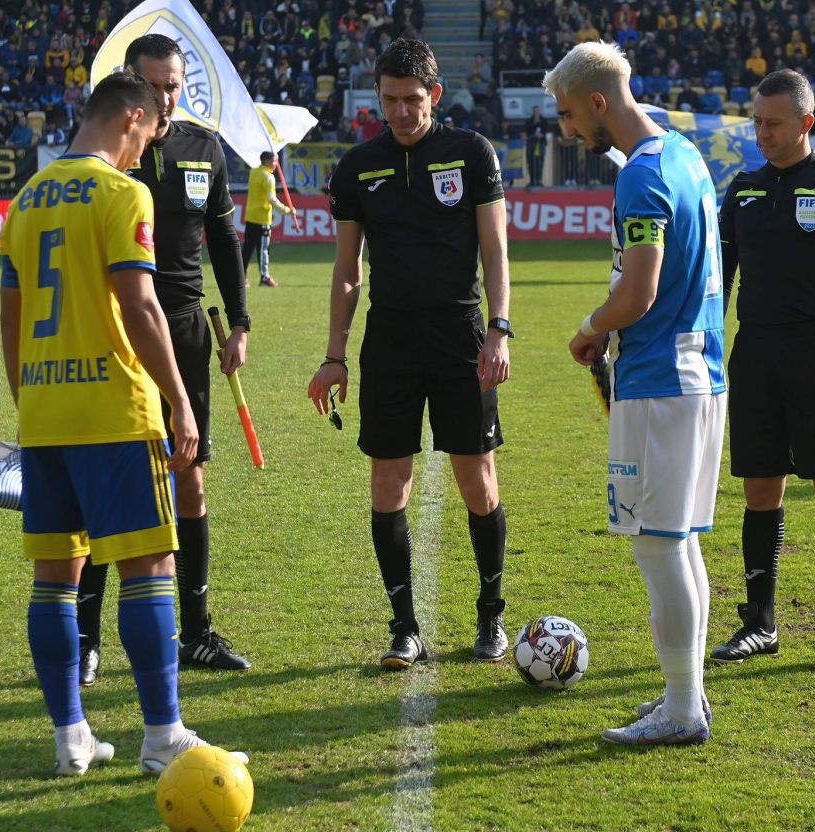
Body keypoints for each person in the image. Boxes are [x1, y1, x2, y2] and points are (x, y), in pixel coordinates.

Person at [0, 71, 242, 776]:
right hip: (113, 408)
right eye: (150, 133)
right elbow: (140, 306)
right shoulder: (120, 193)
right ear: (131, 118)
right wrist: (180, 399)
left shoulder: (24, 201)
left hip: (44, 412)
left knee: (54, 577)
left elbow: (11, 321)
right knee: (148, 567)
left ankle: (70, 736)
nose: (147, 150)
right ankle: (163, 734)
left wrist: (31, 400)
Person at [307, 38, 513, 670]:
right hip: (389, 342)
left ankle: (490, 615)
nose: (399, 112)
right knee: (388, 481)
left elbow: (496, 248)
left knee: (476, 479)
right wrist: (334, 353)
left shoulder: (470, 153)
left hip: (461, 338)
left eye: (411, 100)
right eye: (389, 100)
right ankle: (405, 627)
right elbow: (348, 270)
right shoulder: (357, 166)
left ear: (435, 96)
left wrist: (500, 329)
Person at [544, 41, 725, 746]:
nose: (567, 131)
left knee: (658, 547)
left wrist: (590, 327)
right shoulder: (684, 155)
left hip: (660, 382)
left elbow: (640, 290)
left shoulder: (641, 177)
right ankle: (687, 698)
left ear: (598, 102)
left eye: (567, 115)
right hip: (700, 373)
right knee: (679, 546)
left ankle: (683, 710)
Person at [74, 34, 254, 685]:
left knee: (190, 478)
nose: (166, 97)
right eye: (154, 85)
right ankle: (87, 639)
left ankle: (196, 633)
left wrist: (239, 321)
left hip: (184, 330)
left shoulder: (203, 149)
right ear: (132, 84)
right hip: (117, 334)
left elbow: (225, 238)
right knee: (106, 485)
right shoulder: (111, 154)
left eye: (175, 84)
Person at [715, 69, 815, 673]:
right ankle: (760, 624)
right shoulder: (744, 189)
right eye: (756, 121)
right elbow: (721, 280)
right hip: (754, 353)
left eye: (773, 123)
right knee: (760, 488)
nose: (762, 132)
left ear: (806, 123)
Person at [241, 150, 292, 288]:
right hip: (263, 218)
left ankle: (240, 278)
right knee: (263, 249)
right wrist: (287, 210)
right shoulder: (268, 177)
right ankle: (265, 277)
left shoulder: (254, 172)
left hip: (250, 216)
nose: (276, 164)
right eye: (275, 161)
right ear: (268, 161)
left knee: (247, 248)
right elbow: (272, 199)